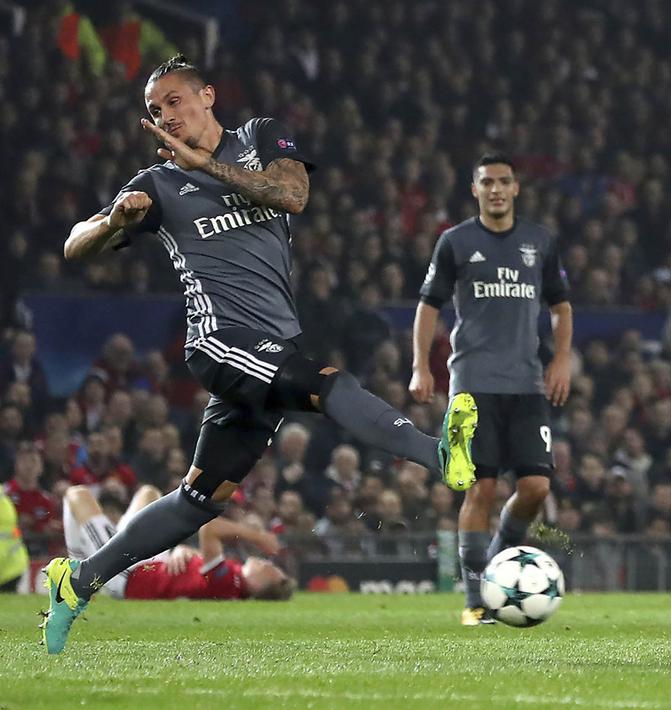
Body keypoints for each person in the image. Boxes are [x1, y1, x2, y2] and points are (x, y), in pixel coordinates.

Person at [43, 55, 478, 654]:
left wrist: (206, 166)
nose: (165, 116)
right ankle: (442, 454)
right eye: (154, 111)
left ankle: (78, 582)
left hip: (271, 343)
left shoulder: (259, 138)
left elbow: (293, 195)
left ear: (208, 96)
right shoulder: (156, 185)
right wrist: (112, 223)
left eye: (174, 101)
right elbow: (73, 245)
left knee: (199, 501)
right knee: (328, 385)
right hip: (221, 342)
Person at [410, 153, 572, 626]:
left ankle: (498, 561)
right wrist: (421, 366)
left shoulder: (540, 242)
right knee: (479, 488)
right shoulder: (455, 242)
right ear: (475, 189)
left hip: (526, 384)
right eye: (487, 182)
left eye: (504, 181)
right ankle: (475, 602)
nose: (496, 189)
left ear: (516, 188)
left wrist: (561, 358)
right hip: (472, 387)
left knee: (536, 487)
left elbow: (561, 306)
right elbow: (428, 307)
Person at [58, 484, 291, 601]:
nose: (265, 563)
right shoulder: (230, 579)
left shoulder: (231, 583)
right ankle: (84, 566)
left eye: (271, 571)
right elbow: (195, 573)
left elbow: (209, 528)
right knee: (149, 493)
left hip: (128, 571)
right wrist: (183, 550)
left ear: (261, 586)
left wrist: (258, 536)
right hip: (154, 560)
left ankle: (83, 569)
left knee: (77, 495)